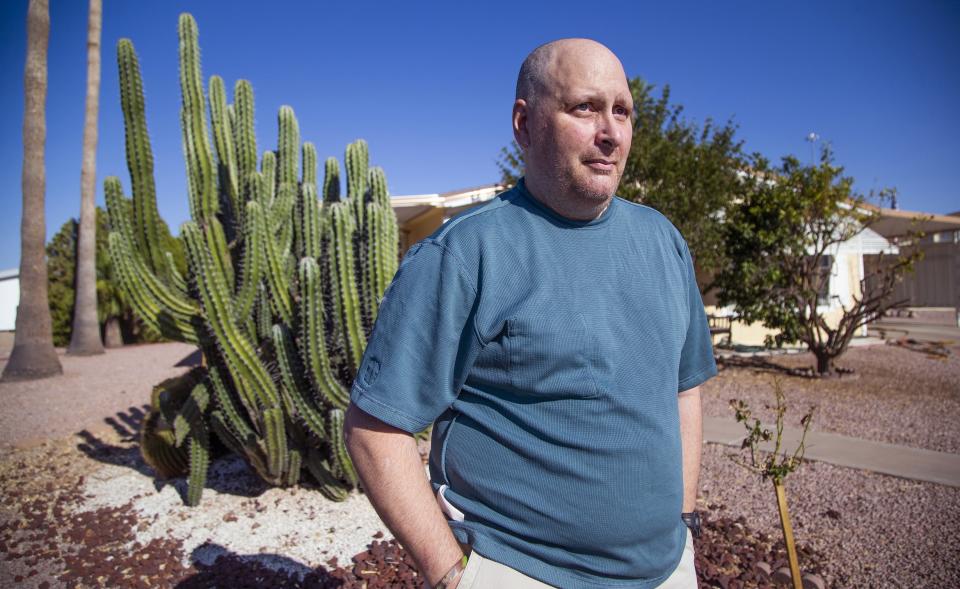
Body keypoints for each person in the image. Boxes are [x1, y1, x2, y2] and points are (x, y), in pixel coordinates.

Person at [343, 38, 716, 589]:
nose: (610, 132)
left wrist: (684, 520)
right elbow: (376, 429)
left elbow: (684, 388)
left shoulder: (663, 241)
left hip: (667, 570)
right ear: (524, 123)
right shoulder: (466, 254)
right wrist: (454, 575)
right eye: (585, 108)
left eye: (622, 111)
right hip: (521, 572)